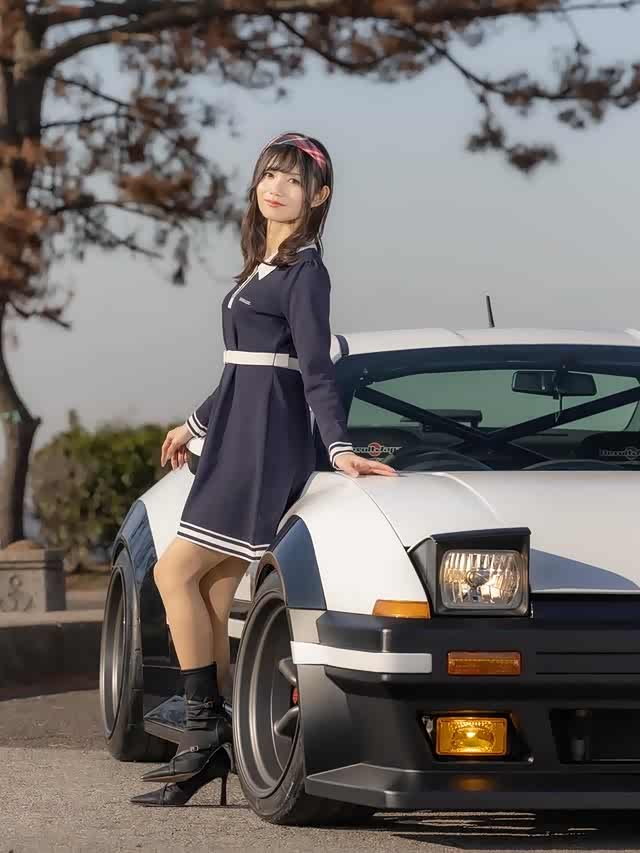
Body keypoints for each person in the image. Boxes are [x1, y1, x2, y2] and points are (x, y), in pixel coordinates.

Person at [130, 131, 398, 808]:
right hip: (233, 436)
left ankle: (202, 731)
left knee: (173, 573)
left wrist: (338, 449)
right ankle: (208, 747)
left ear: (319, 197)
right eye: (268, 175)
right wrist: (192, 426)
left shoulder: (305, 272)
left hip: (263, 446)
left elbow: (315, 372)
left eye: (293, 180)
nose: (275, 188)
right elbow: (240, 372)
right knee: (211, 596)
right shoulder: (262, 266)